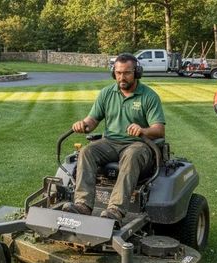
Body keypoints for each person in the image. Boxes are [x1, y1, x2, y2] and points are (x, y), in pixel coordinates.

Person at [62, 53, 166, 225]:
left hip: (139, 144)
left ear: (137, 72)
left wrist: (143, 130)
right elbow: (93, 120)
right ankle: (82, 204)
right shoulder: (107, 93)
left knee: (131, 156)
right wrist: (83, 124)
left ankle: (115, 209)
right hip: (110, 142)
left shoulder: (149, 96)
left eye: (126, 73)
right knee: (87, 151)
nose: (121, 77)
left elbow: (159, 129)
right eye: (118, 73)